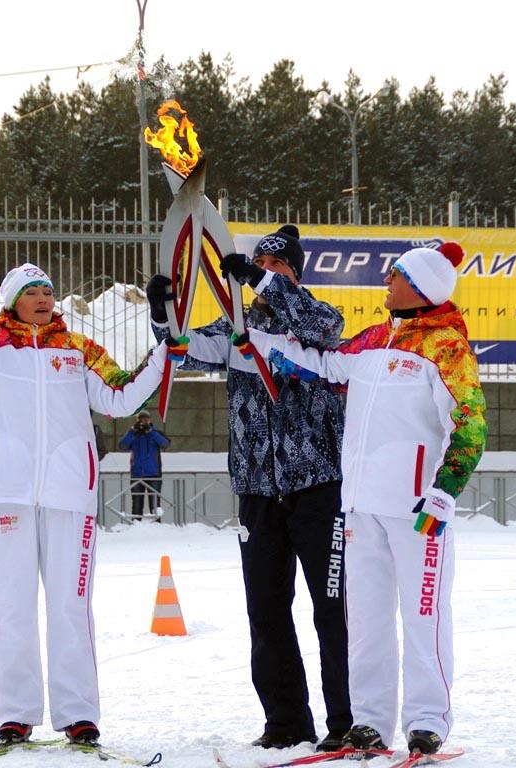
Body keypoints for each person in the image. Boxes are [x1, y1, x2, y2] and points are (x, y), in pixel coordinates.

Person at [0, 200, 185, 747]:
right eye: (32, 292)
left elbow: (122, 396)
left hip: (67, 494)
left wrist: (163, 354)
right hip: (4, 491)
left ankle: (79, 714)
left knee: (71, 607)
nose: (44, 299)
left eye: (49, 292)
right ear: (11, 301)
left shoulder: (77, 348)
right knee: (11, 609)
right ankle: (15, 713)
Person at [245, 242, 487, 757]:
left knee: (424, 615)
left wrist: (443, 493)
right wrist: (264, 342)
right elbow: (323, 366)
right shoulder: (374, 340)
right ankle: (370, 722)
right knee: (368, 622)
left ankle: (427, 721)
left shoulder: (446, 348)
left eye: (396, 276)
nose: (387, 283)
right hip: (360, 507)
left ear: (421, 287)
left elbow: (470, 425)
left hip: (418, 510)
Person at [146, 225, 352, 751]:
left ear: (293, 272)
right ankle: (286, 722)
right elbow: (182, 351)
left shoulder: (318, 320)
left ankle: (347, 721)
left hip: (318, 486)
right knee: (265, 609)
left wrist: (264, 281)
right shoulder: (236, 328)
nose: (262, 272)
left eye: (274, 265)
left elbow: (323, 327)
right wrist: (161, 313)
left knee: (331, 608)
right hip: (257, 490)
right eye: (257, 263)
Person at [118, 410, 170, 521]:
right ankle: (136, 527)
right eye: (141, 420)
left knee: (155, 505)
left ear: (150, 420)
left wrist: (151, 432)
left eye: (146, 419)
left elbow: (165, 443)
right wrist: (132, 431)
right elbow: (122, 446)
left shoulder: (156, 433)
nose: (143, 422)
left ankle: (157, 527)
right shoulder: (133, 434)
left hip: (154, 474)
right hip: (137, 474)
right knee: (136, 504)